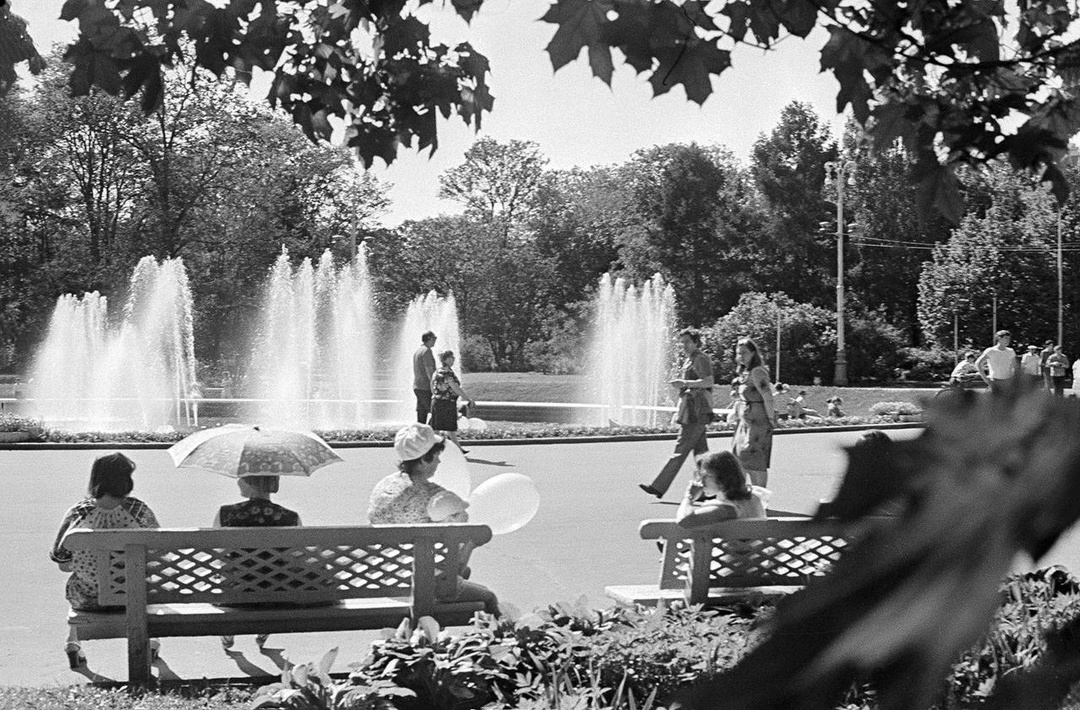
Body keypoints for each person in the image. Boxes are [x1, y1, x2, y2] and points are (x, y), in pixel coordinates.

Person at [368, 423, 500, 615]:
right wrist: (472, 543)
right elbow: (455, 564)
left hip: (380, 576)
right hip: (419, 581)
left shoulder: (384, 486)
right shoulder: (435, 497)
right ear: (423, 460)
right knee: (488, 597)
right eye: (436, 457)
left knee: (464, 575)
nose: (439, 462)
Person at [50, 453, 160, 669]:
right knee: (147, 579)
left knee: (80, 581)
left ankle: (73, 643)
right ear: (127, 480)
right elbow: (158, 555)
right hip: (133, 597)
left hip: (88, 599)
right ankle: (152, 642)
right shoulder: (139, 511)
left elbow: (61, 560)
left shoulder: (78, 514)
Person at [215, 475, 302, 651]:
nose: (238, 481)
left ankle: (228, 629)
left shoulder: (226, 513)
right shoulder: (291, 517)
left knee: (224, 573)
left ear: (251, 483)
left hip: (235, 594)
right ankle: (264, 628)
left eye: (241, 478)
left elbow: (219, 554)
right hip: (277, 592)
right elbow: (297, 557)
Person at [640, 328, 714, 498]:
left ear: (696, 342)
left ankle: (658, 486)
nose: (684, 345)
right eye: (682, 342)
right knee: (702, 455)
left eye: (688, 342)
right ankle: (708, 490)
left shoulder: (701, 358)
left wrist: (684, 383)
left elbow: (708, 381)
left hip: (696, 409)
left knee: (681, 448)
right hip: (692, 408)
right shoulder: (691, 360)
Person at [731, 337, 778, 488]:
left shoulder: (757, 372)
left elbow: (768, 397)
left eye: (744, 352)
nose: (741, 356)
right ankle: (742, 495)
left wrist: (771, 419)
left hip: (758, 422)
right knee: (739, 457)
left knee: (754, 458)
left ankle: (760, 497)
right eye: (739, 353)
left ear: (753, 353)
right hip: (745, 422)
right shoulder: (745, 372)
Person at [676, 451, 766, 529]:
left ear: (722, 479)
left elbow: (684, 521)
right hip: (758, 548)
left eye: (704, 476)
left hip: (735, 549)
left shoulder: (726, 509)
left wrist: (689, 497)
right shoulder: (753, 498)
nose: (701, 481)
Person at [430, 350, 475, 452]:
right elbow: (455, 387)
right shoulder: (448, 373)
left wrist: (437, 395)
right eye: (451, 357)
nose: (454, 359)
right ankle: (432, 451)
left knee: (440, 427)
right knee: (446, 427)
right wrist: (468, 399)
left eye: (453, 357)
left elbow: (432, 386)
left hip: (436, 402)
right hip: (446, 403)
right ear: (445, 360)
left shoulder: (436, 371)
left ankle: (457, 449)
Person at [412, 331, 437, 424]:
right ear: (429, 338)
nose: (435, 340)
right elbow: (429, 371)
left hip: (418, 387)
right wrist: (435, 386)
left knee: (422, 414)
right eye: (434, 338)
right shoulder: (427, 351)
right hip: (426, 387)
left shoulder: (418, 350)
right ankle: (432, 434)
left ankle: (420, 434)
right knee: (436, 412)